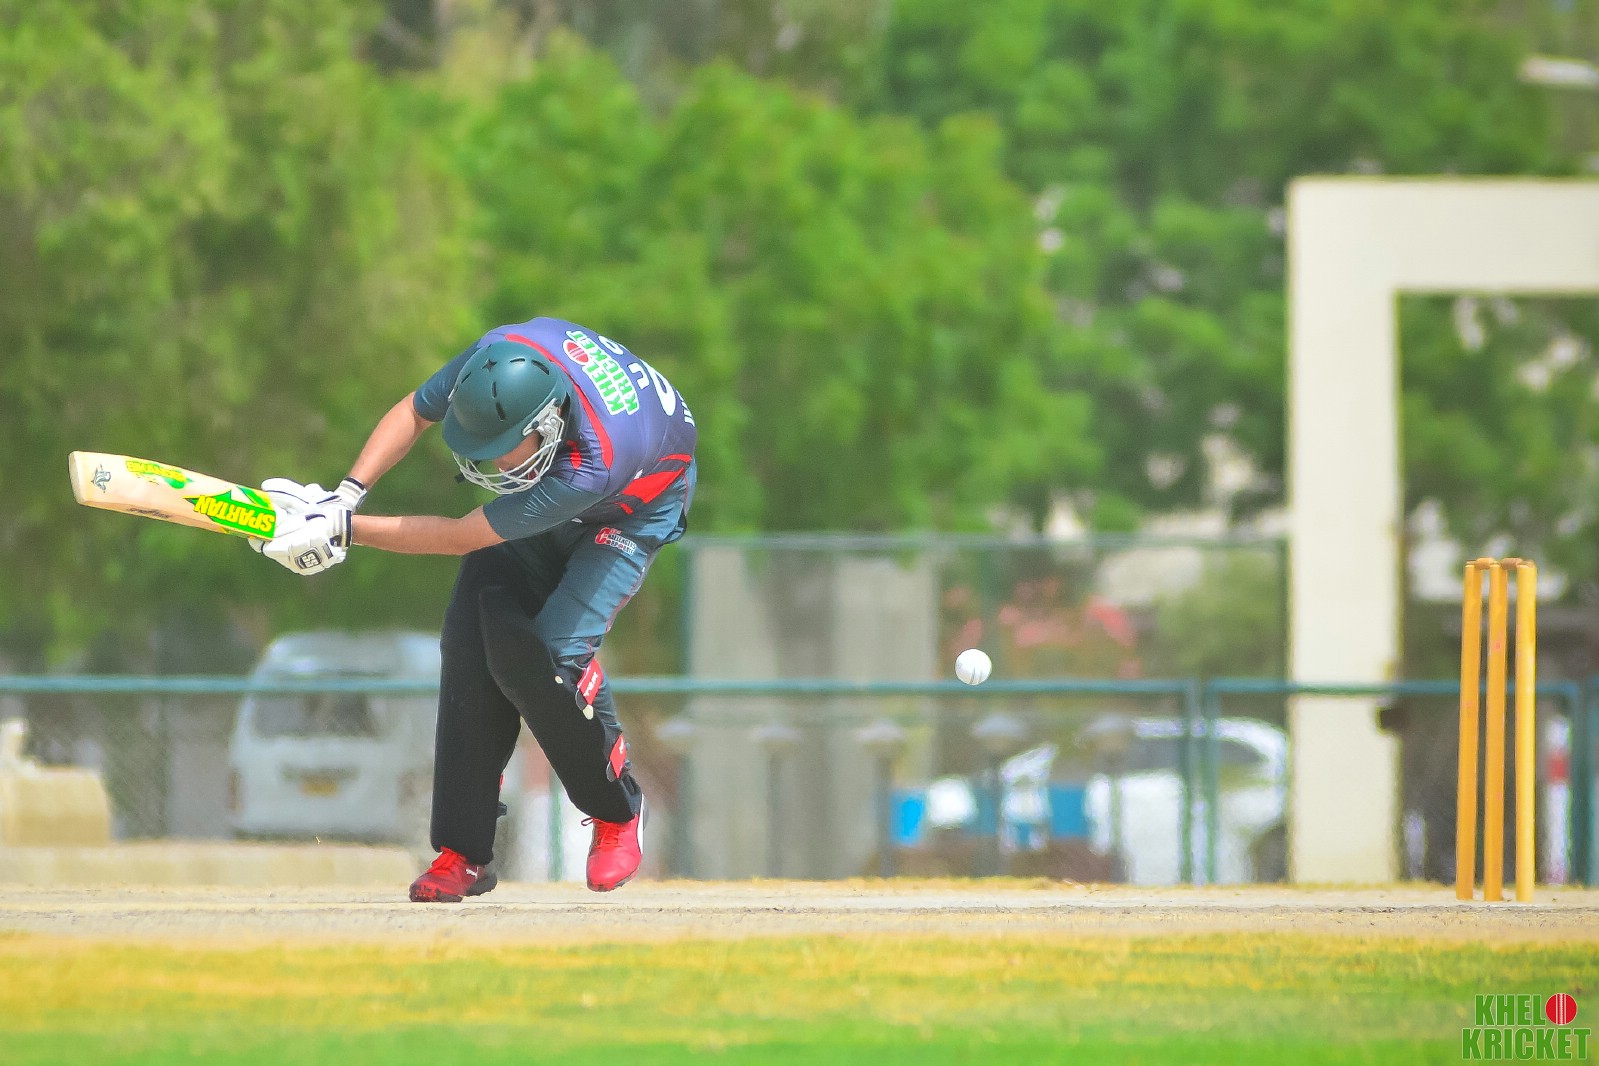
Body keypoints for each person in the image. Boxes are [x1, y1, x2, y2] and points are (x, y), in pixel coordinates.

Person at [251, 316, 697, 902]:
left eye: (502, 449)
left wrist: (343, 530)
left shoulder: (595, 463)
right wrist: (344, 497)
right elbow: (413, 411)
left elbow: (461, 535)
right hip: (566, 465)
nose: (494, 465)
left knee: (552, 653)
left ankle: (618, 813)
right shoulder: (494, 355)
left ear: (546, 423)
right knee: (471, 641)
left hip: (631, 511)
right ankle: (463, 853)